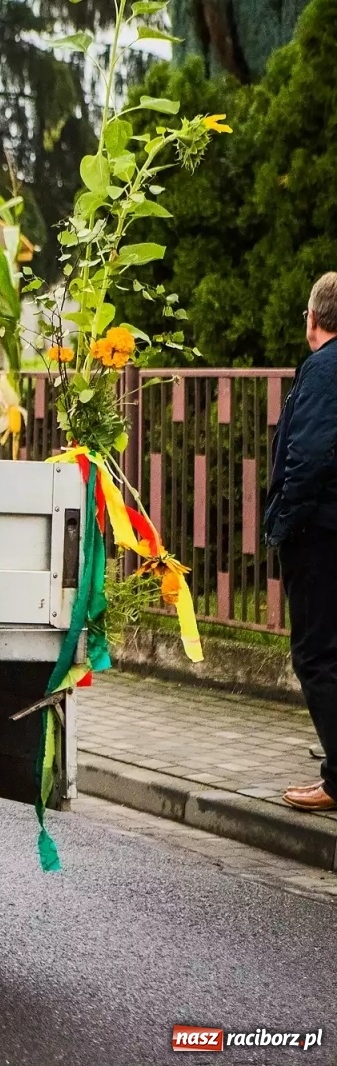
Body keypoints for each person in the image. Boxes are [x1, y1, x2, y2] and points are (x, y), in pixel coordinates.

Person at [265, 271, 337, 811]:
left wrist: (283, 523)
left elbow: (307, 456)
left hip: (320, 535)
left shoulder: (323, 369)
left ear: (312, 319)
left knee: (316, 655)